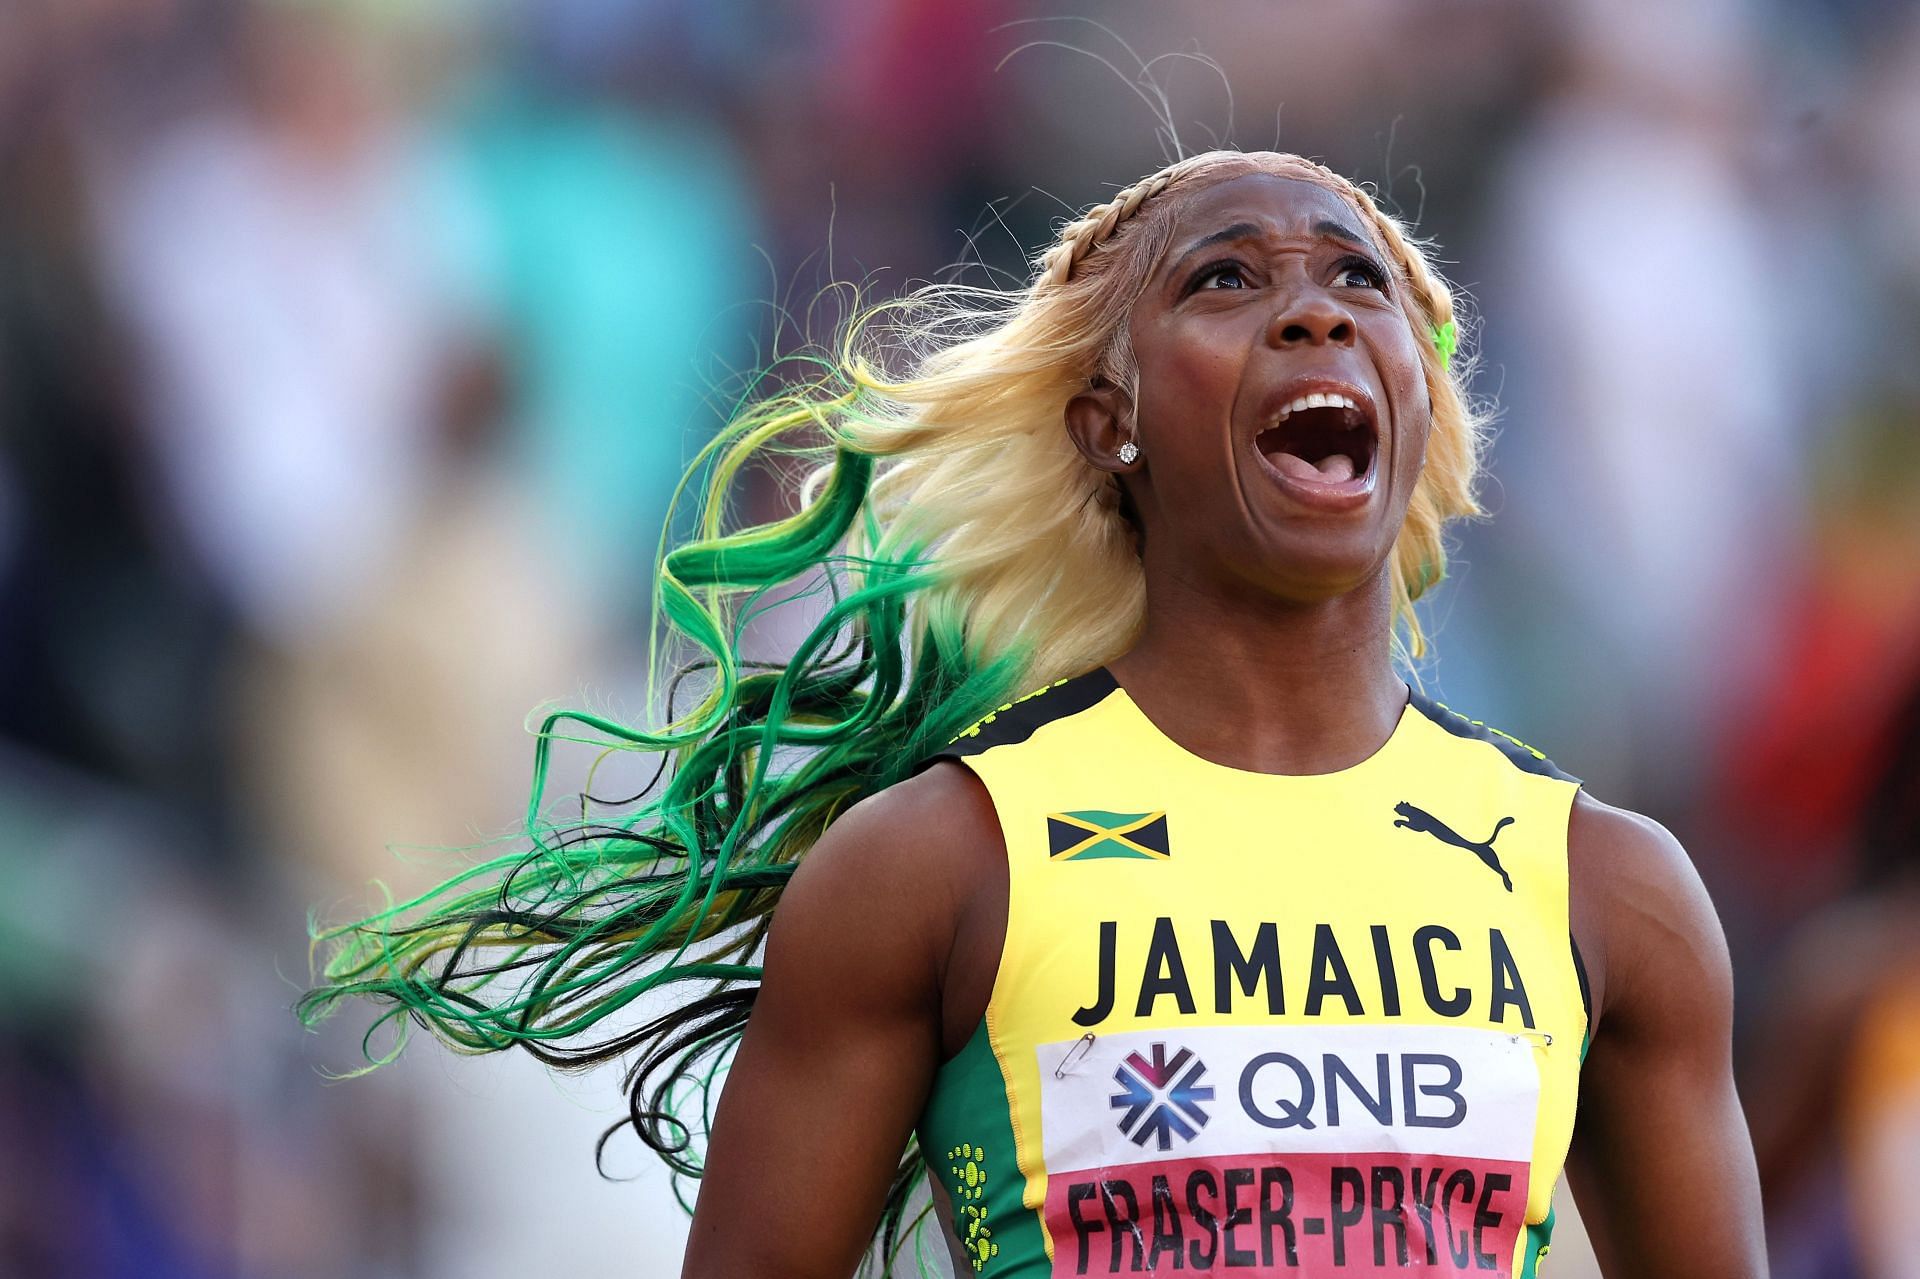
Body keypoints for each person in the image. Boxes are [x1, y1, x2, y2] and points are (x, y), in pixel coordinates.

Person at [301, 150, 1767, 1277]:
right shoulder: (937, 866)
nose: (1314, 307)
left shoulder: (1609, 888)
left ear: (1417, 397)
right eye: (1224, 280)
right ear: (1105, 420)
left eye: (1358, 280)